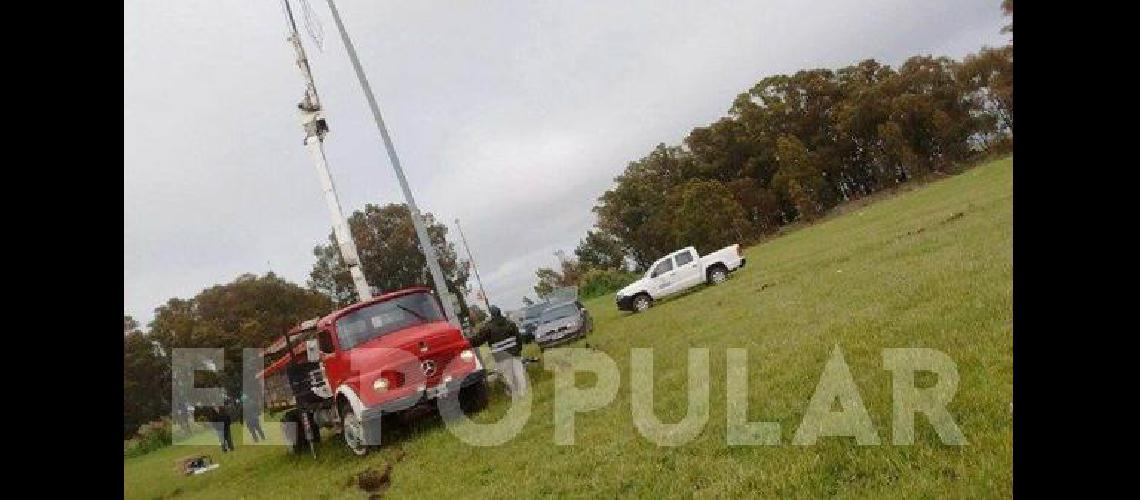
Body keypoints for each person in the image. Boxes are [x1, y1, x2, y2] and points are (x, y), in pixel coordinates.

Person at [472, 305, 528, 397]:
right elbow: (518, 339)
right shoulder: (510, 323)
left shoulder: (488, 327)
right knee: (518, 373)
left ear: (492, 314)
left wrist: (467, 343)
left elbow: (478, 340)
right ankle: (523, 393)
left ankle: (515, 394)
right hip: (514, 354)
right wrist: (518, 350)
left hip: (501, 357)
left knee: (508, 376)